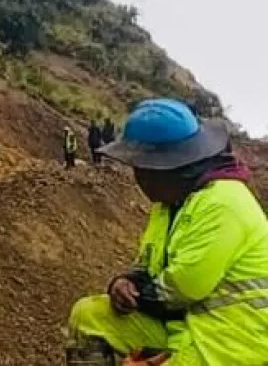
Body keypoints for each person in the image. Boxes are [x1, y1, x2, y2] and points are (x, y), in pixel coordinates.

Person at [65, 98, 268, 366]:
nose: (138, 179)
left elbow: (179, 291)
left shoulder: (223, 203)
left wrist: (136, 292)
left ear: (160, 170)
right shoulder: (168, 206)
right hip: (186, 326)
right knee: (89, 315)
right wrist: (123, 283)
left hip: (233, 341)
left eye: (140, 169)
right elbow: (147, 265)